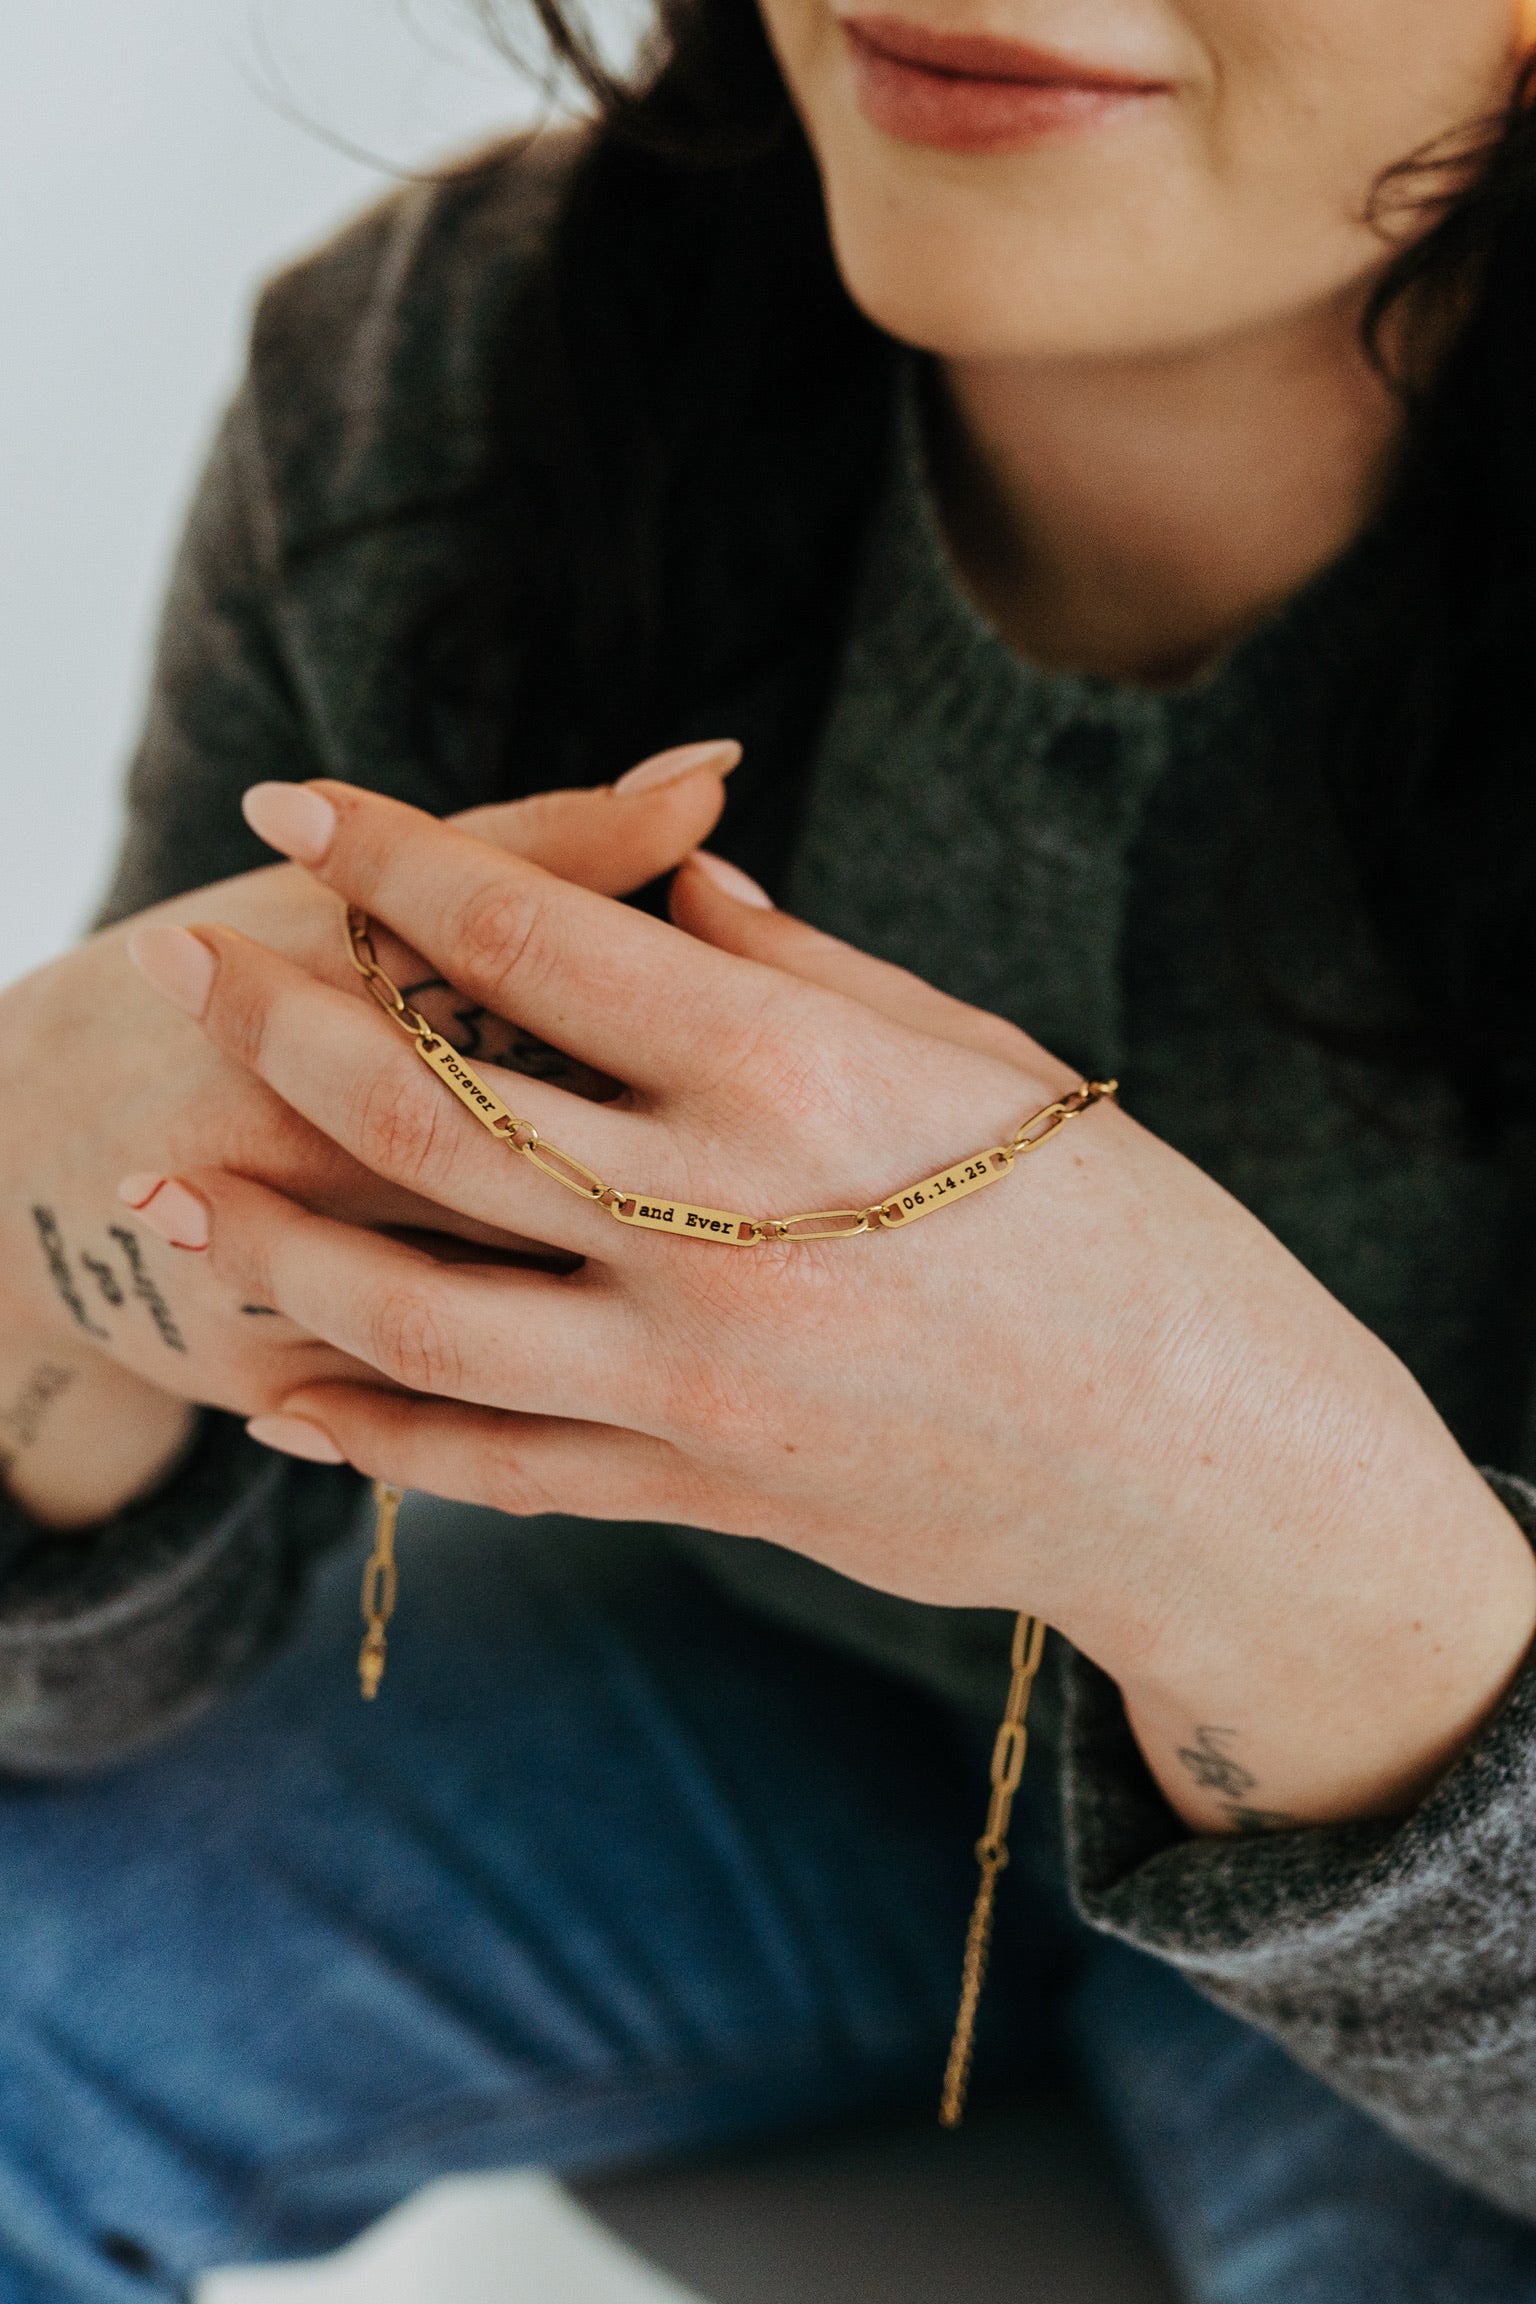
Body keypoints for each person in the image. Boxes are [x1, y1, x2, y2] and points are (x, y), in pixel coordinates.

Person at [3, 0, 1536, 2294]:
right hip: (759, 1677)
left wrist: (1247, 1524)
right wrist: (33, 1205)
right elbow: (68, 1698)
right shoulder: (460, 375)